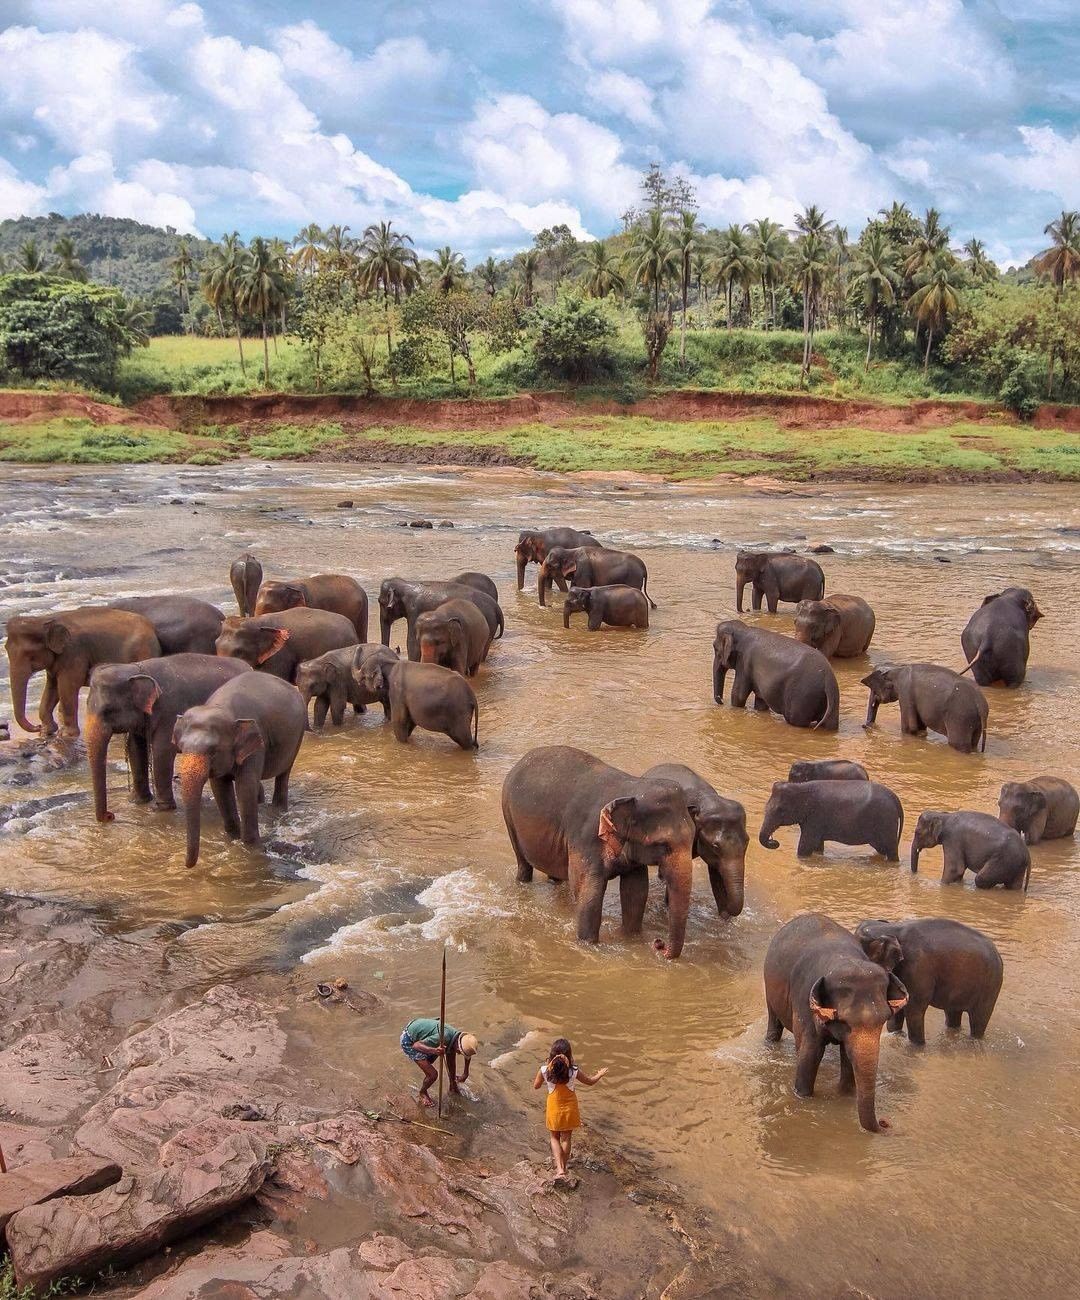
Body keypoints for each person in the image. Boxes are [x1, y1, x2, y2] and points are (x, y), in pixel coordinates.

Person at [532, 1037, 607, 1178]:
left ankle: (559, 1169)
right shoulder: (574, 1071)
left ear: (552, 1054)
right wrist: (600, 1074)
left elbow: (535, 1086)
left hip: (554, 1109)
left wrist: (547, 1069)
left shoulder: (544, 1070)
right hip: (570, 1109)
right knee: (566, 1139)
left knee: (554, 1137)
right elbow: (590, 1082)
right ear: (569, 1055)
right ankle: (564, 1169)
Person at [400, 1016, 478, 1108]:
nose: (459, 1054)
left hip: (423, 1028)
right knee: (432, 1074)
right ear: (458, 1047)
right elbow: (416, 1046)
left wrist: (465, 1073)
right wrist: (434, 1050)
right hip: (409, 1039)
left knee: (449, 1055)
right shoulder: (444, 1037)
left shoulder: (458, 1039)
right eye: (459, 1052)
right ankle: (423, 1092)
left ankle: (452, 1085)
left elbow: (454, 1061)